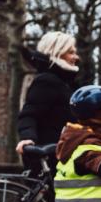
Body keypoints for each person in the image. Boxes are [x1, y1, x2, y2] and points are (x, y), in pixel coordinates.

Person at [15, 31, 79, 172]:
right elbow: (29, 114)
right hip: (50, 156)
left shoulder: (62, 82)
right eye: (70, 52)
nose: (76, 57)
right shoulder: (47, 81)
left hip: (60, 154)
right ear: (56, 52)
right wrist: (27, 138)